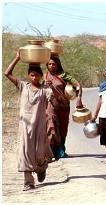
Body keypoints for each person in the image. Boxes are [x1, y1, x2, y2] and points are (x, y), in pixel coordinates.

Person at [4, 51, 55, 191]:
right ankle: (28, 182)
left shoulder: (45, 89)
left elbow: (52, 101)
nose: (34, 77)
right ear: (28, 75)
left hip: (39, 126)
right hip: (25, 126)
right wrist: (17, 58)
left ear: (40, 76)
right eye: (32, 75)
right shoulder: (23, 86)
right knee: (25, 152)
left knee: (39, 152)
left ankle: (41, 168)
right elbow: (7, 73)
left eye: (37, 75)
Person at [44, 55, 83, 160]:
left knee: (62, 129)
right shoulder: (45, 76)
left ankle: (61, 151)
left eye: (54, 64)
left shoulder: (64, 75)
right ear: (47, 65)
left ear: (58, 65)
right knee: (51, 127)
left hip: (64, 106)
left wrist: (79, 98)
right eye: (50, 64)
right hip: (50, 106)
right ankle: (51, 151)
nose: (52, 66)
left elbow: (78, 85)